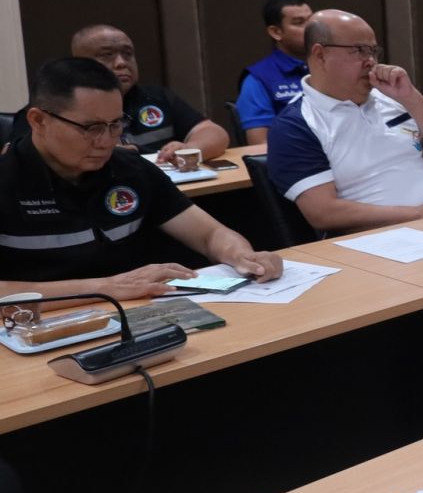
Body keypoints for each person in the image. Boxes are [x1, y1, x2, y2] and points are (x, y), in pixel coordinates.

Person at [0, 58, 282, 310]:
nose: (106, 141)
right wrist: (106, 287)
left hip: (137, 312)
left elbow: (209, 234)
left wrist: (242, 256)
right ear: (38, 121)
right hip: (32, 326)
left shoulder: (130, 169)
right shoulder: (7, 178)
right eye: (90, 128)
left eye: (115, 125)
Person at [267, 10, 423, 233]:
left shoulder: (390, 98)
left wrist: (410, 96)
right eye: (359, 50)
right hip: (380, 237)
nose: (371, 61)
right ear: (320, 55)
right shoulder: (295, 125)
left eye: (373, 51)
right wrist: (419, 212)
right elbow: (323, 213)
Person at [69, 25, 230, 163]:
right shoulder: (68, 105)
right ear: (79, 63)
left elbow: (215, 133)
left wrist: (188, 149)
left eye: (127, 54)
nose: (121, 63)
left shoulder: (157, 97)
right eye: (107, 55)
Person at [237, 0, 313, 144]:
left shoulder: (330, 67)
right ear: (276, 32)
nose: (310, 29)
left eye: (312, 21)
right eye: (299, 23)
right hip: (296, 155)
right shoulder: (258, 79)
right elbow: (260, 144)